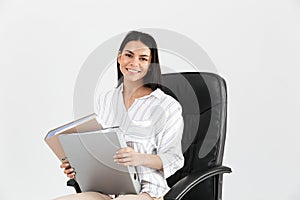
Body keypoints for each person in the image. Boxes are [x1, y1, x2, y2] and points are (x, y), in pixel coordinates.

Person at [56, 31, 184, 200]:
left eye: (143, 58)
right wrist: (77, 167)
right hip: (106, 189)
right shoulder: (105, 100)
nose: (134, 63)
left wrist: (139, 158)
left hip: (147, 192)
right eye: (129, 55)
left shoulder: (167, 106)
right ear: (119, 58)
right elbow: (98, 148)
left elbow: (174, 159)